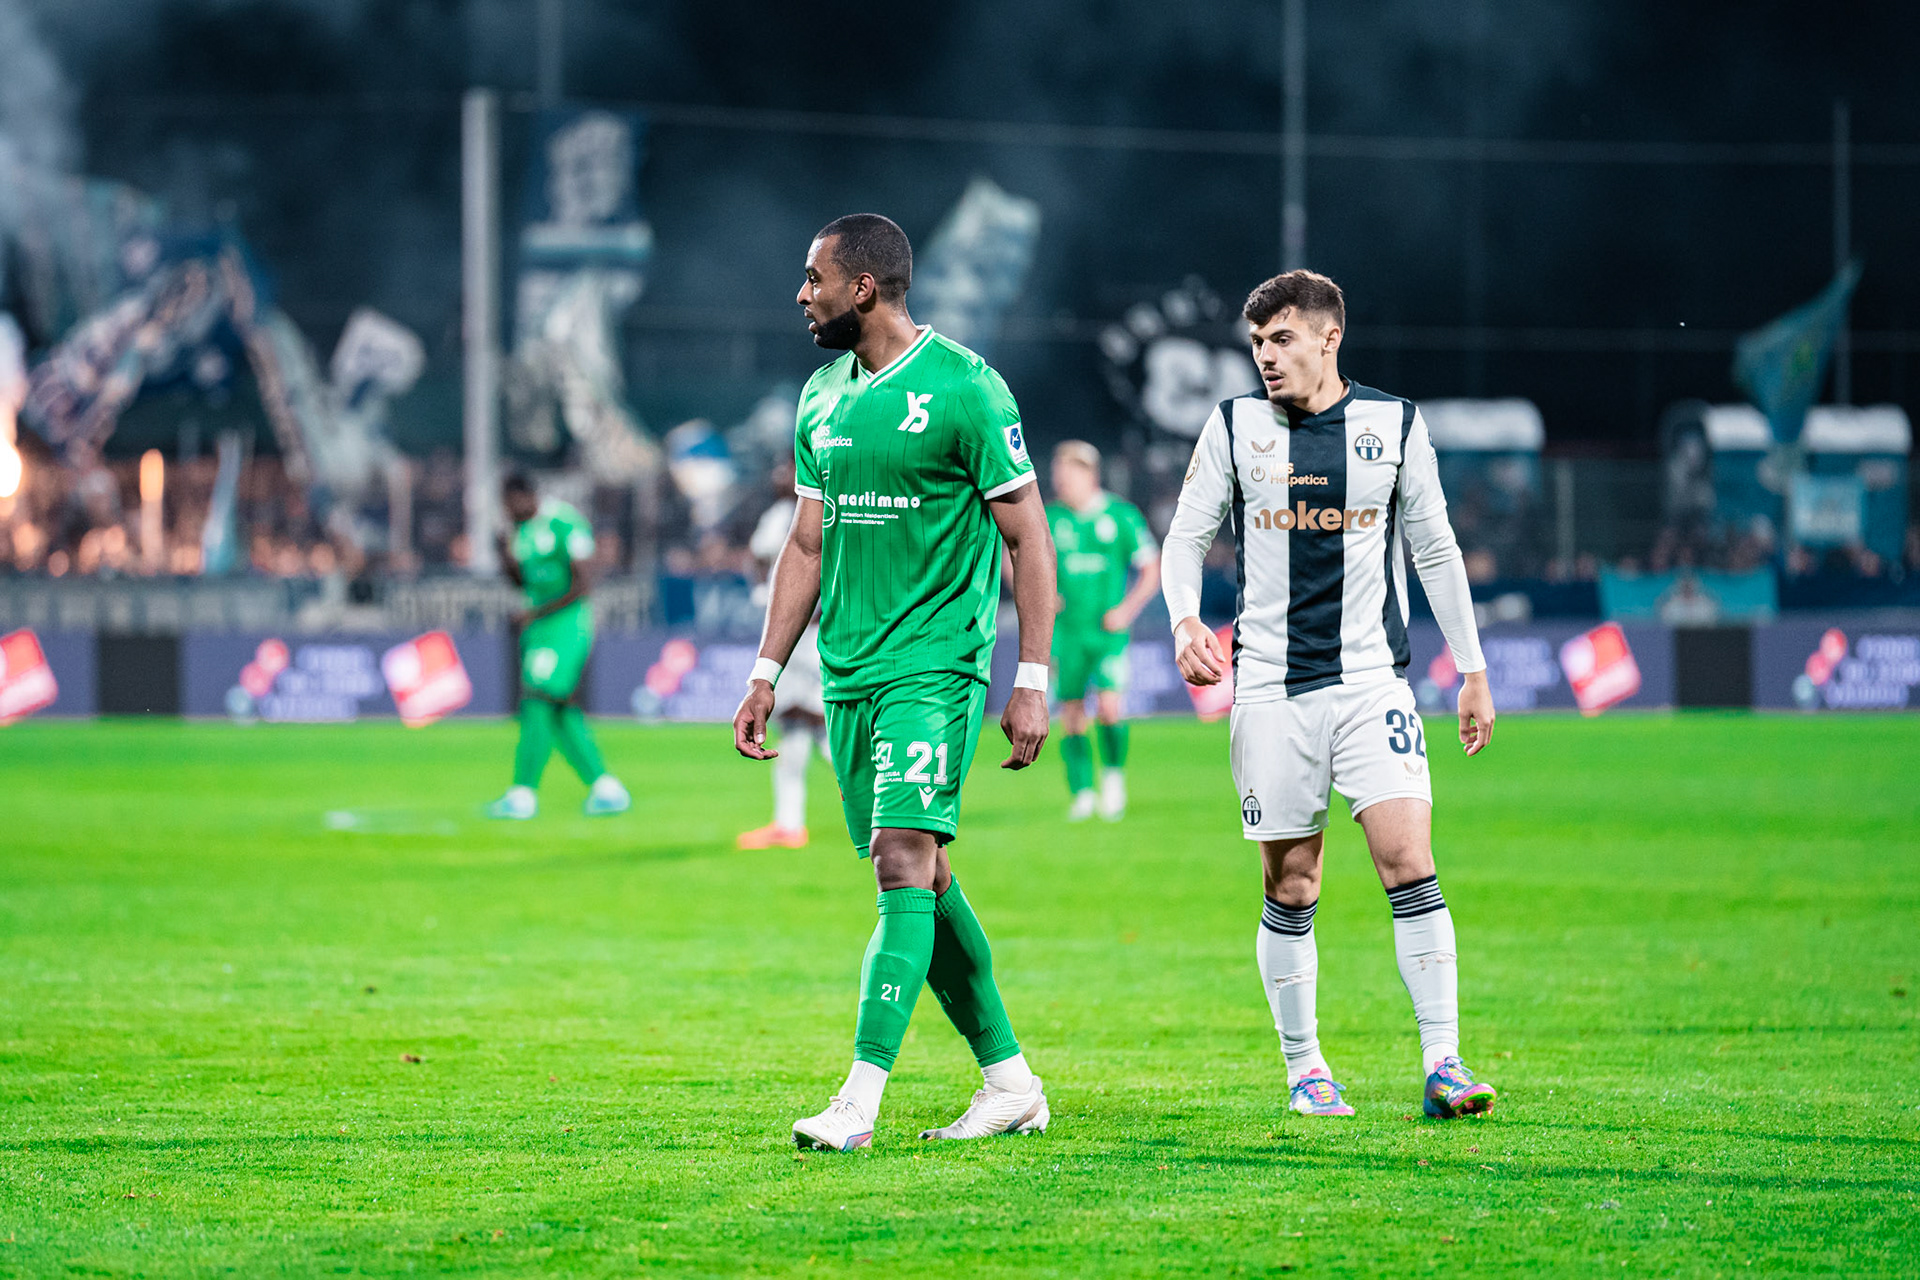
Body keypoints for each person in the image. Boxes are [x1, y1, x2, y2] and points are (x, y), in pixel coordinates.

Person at [732, 213, 1057, 1152]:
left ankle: (858, 1100)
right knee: (927, 873)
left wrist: (1029, 678)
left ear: (864, 287)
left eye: (814, 278)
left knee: (901, 861)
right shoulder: (821, 397)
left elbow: (1029, 536)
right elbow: (805, 542)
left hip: (937, 665)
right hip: (849, 676)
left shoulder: (964, 387)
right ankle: (1011, 1083)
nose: (802, 294)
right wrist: (766, 672)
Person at [1161, 270, 1498, 1121]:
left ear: (1327, 337)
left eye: (1280, 340)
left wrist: (1474, 668)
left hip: (1370, 683)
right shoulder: (1236, 426)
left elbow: (1437, 552)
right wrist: (1183, 621)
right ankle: (1306, 1068)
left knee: (1409, 862)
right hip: (1270, 689)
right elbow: (1185, 537)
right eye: (1257, 344)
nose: (1265, 357)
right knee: (1294, 886)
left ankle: (1445, 1062)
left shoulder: (1394, 425)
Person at [487, 471, 631, 820]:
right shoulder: (518, 531)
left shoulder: (564, 521)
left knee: (536, 698)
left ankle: (523, 793)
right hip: (538, 629)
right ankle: (605, 788)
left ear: (526, 495)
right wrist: (503, 555)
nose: (508, 512)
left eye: (510, 504)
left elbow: (584, 584)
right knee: (558, 705)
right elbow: (521, 581)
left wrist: (534, 612)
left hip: (568, 625)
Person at [1046, 440, 1161, 821]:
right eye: (1058, 476)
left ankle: (1113, 780)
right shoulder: (1051, 518)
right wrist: (1041, 595)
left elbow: (1151, 568)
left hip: (1108, 632)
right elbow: (1015, 558)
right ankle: (1081, 793)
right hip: (1067, 632)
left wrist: (1126, 610)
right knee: (1072, 713)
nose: (1061, 483)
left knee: (1110, 708)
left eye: (1068, 476)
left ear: (1089, 475)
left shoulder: (1121, 516)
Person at [737, 463, 828, 850]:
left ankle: (877, 794)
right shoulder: (775, 517)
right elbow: (757, 559)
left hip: (814, 633)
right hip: (788, 632)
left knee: (813, 715)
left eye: (785, 470)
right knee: (795, 723)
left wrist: (821, 606)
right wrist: (764, 591)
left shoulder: (827, 510)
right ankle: (789, 824)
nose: (778, 477)